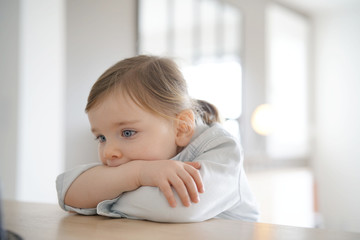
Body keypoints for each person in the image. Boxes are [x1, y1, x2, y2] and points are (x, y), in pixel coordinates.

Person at [56, 55, 259, 222]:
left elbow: (180, 207)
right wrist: (137, 173)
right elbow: (68, 192)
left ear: (181, 128)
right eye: (101, 137)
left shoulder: (222, 149)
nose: (108, 151)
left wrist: (102, 195)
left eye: (127, 133)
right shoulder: (133, 162)